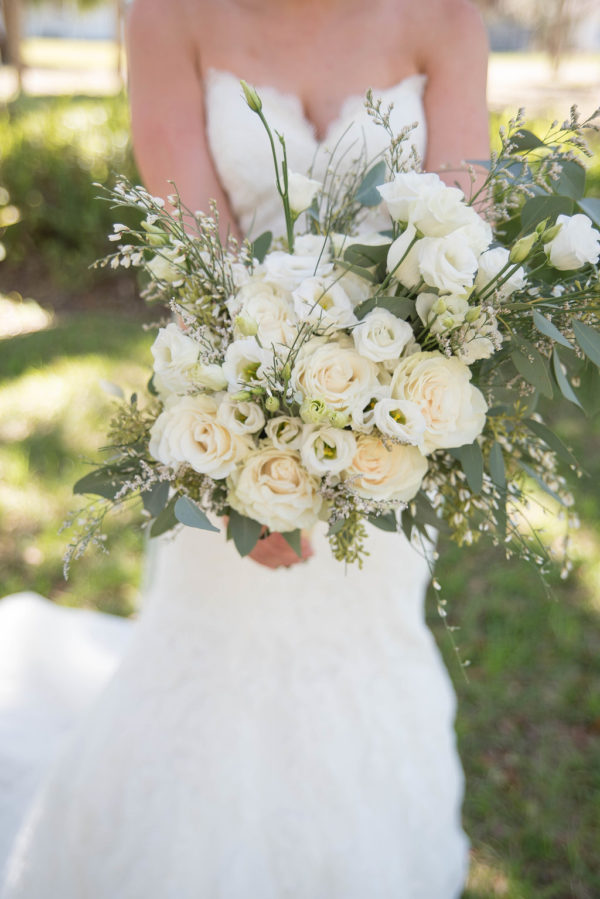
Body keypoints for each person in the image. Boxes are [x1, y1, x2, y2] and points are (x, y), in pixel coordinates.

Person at [0, 0, 490, 895]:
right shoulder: (165, 17)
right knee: (218, 646)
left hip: (396, 424)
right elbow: (197, 261)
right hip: (228, 408)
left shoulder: (446, 18)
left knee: (366, 647)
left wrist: (382, 418)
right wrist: (246, 478)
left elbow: (464, 244)